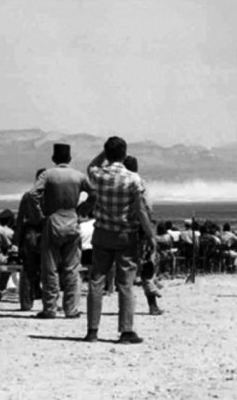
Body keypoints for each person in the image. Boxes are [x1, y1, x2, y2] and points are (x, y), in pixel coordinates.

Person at [85, 137, 155, 344]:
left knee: (96, 281)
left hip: (102, 233)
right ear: (125, 154)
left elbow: (91, 166)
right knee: (125, 283)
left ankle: (92, 330)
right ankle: (125, 330)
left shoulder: (98, 175)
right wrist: (150, 235)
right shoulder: (133, 179)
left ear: (106, 154)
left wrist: (104, 155)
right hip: (126, 235)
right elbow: (140, 210)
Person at [34, 143, 95, 319]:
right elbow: (94, 194)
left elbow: (33, 194)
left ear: (54, 158)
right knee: (71, 268)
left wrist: (39, 214)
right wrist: (82, 210)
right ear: (69, 158)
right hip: (72, 221)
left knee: (50, 268)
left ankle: (50, 308)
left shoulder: (48, 175)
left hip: (53, 221)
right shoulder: (78, 176)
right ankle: (70, 308)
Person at [123, 155, 163, 316]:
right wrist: (150, 233)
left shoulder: (120, 183)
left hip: (123, 230)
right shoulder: (139, 183)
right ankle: (152, 304)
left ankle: (126, 306)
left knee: (125, 269)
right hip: (141, 230)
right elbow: (145, 209)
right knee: (147, 268)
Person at [14, 169, 46, 311]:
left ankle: (26, 303)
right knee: (49, 269)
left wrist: (16, 243)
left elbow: (20, 220)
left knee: (28, 270)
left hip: (29, 234)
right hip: (46, 234)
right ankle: (49, 302)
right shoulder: (51, 197)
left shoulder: (27, 196)